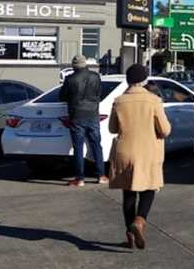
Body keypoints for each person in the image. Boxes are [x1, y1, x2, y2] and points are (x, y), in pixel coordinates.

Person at [108, 64, 171, 250]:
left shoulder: (119, 101)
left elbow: (112, 128)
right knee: (149, 188)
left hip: (124, 151)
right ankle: (139, 221)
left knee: (128, 193)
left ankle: (129, 234)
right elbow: (165, 130)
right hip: (148, 151)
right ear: (144, 80)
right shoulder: (154, 100)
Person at [59, 54, 107, 187]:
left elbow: (62, 96)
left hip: (77, 115)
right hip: (93, 114)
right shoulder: (95, 76)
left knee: (78, 147)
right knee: (96, 145)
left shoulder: (70, 79)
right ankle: (101, 175)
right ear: (85, 64)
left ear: (74, 66)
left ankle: (80, 178)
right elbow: (99, 94)